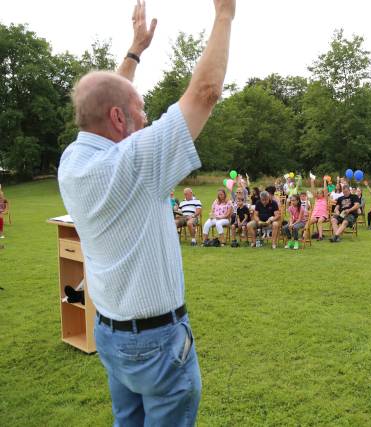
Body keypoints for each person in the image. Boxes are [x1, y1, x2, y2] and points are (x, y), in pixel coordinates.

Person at [57, 1, 235, 425]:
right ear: (118, 119)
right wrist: (224, 14)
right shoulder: (136, 164)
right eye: (140, 109)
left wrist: (135, 52)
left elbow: (101, 102)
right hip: (157, 343)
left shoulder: (73, 162)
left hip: (112, 335)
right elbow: (205, 93)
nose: (147, 117)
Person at [309, 176, 329, 241]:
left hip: (323, 215)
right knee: (309, 221)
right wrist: (312, 182)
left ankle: (320, 236)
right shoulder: (316, 199)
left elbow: (325, 190)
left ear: (323, 194)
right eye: (318, 193)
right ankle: (304, 235)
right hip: (315, 214)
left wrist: (325, 181)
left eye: (320, 193)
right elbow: (312, 191)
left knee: (320, 221)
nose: (318, 194)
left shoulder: (325, 199)